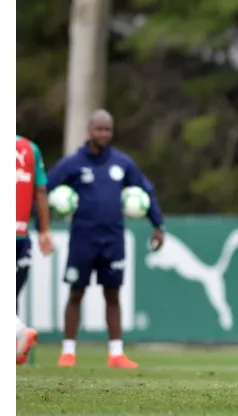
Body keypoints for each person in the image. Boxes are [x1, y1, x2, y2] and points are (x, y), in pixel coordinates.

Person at [46, 109, 166, 368]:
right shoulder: (73, 163)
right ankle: (68, 352)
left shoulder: (122, 164)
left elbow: (146, 191)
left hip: (113, 240)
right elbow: (45, 188)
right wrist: (44, 219)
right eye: (99, 129)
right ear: (89, 131)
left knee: (112, 294)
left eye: (108, 129)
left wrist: (158, 225)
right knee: (76, 293)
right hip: (82, 239)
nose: (103, 133)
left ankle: (116, 354)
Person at [16, 134, 54, 365]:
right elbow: (40, 192)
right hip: (21, 236)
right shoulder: (30, 147)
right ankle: (16, 346)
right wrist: (44, 230)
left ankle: (19, 332)